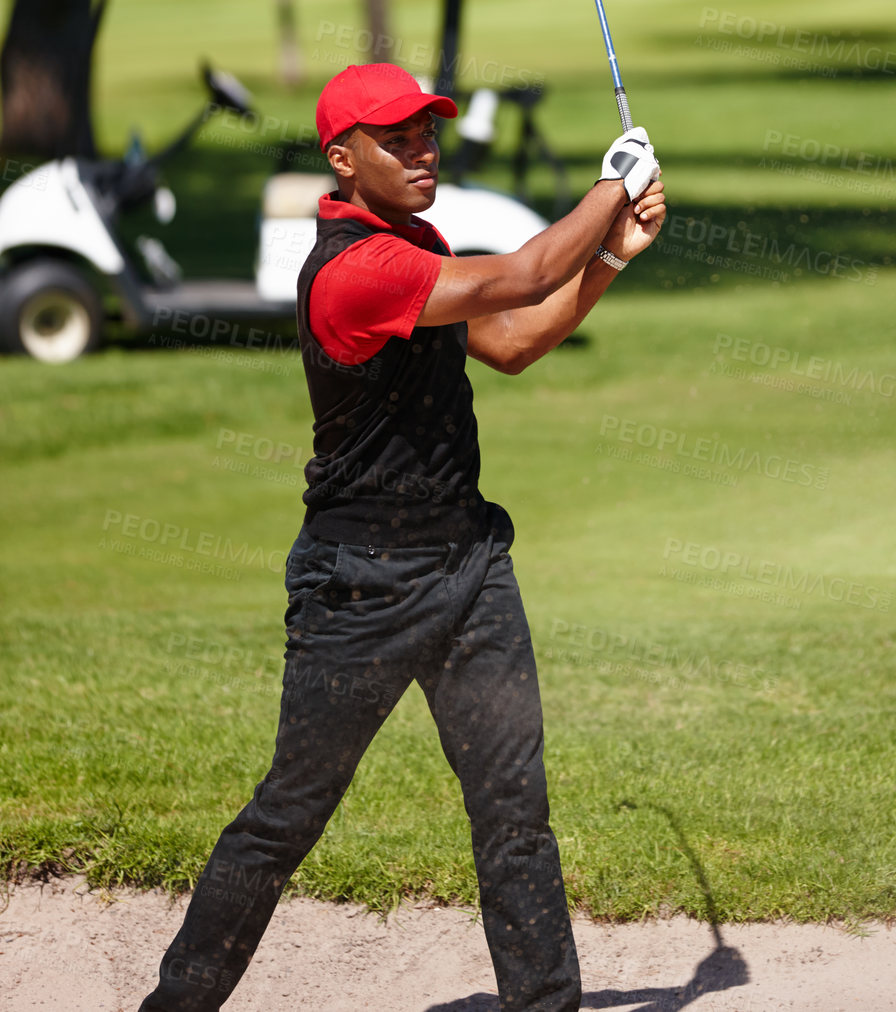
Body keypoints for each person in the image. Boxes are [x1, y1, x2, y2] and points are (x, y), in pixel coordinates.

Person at [139, 62, 665, 1012]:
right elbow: (524, 273)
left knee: (515, 816)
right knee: (288, 817)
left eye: (429, 133)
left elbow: (511, 340)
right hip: (362, 586)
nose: (423, 150)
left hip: (469, 567)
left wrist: (613, 256)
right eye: (399, 139)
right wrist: (611, 184)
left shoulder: (413, 246)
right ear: (344, 160)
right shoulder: (357, 270)